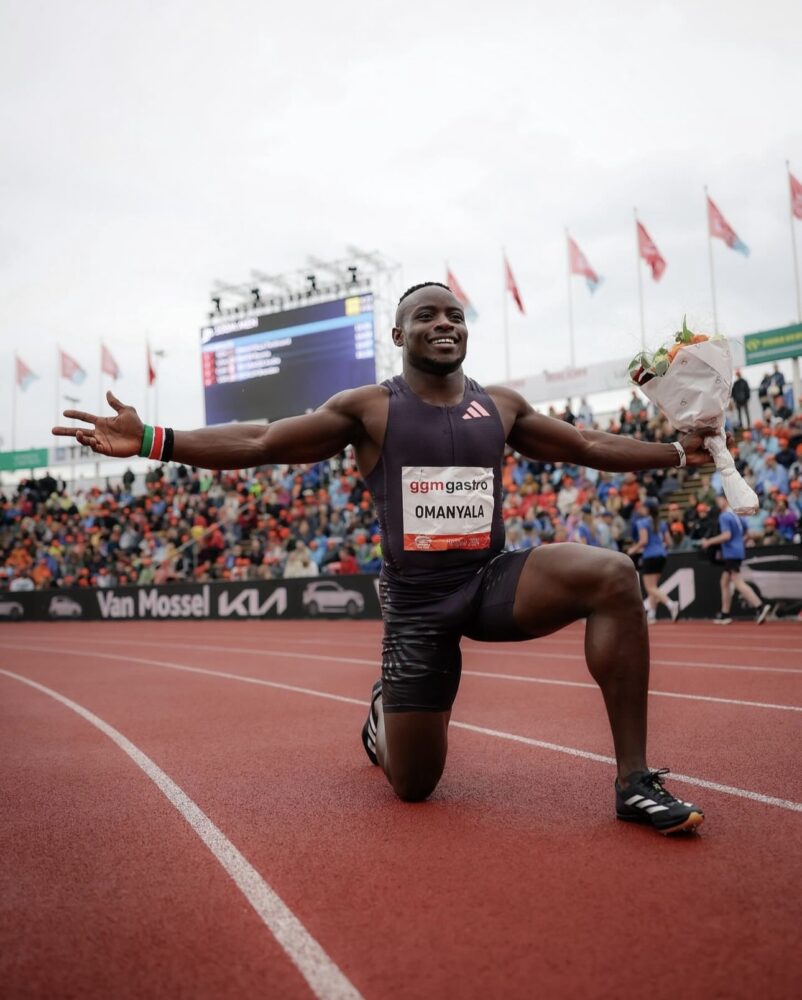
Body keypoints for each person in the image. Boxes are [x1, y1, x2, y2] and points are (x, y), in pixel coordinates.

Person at [53, 281, 717, 835]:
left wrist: (679, 452)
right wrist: (151, 438)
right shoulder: (368, 408)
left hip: (490, 579)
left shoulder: (501, 406)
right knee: (415, 789)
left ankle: (634, 780)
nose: (443, 322)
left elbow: (588, 447)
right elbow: (261, 439)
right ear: (399, 336)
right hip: (419, 606)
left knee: (612, 572)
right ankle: (382, 720)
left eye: (453, 314)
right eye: (425, 315)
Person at [700, 495, 770, 624]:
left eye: (719, 500)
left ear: (726, 501)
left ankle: (760, 606)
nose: (718, 503)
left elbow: (727, 535)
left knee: (737, 582)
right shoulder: (737, 515)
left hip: (731, 553)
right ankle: (725, 613)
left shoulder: (724, 516)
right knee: (724, 581)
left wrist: (709, 542)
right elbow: (748, 533)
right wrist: (739, 543)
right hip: (737, 551)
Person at [629, 498, 678, 623]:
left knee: (650, 588)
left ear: (647, 509)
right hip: (662, 555)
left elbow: (644, 541)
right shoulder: (661, 523)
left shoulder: (643, 522)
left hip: (650, 556)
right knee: (654, 586)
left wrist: (632, 550)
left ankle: (671, 604)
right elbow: (669, 542)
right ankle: (652, 613)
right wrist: (660, 547)